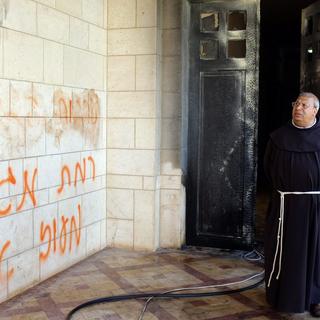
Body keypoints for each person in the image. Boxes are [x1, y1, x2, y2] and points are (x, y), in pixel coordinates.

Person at [264, 92, 320, 318]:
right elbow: (268, 169)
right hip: (285, 206)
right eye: (296, 103)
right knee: (287, 253)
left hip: (317, 207)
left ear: (315, 110)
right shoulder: (278, 137)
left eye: (304, 105)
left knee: (317, 254)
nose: (298, 107)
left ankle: (316, 299)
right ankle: (281, 296)